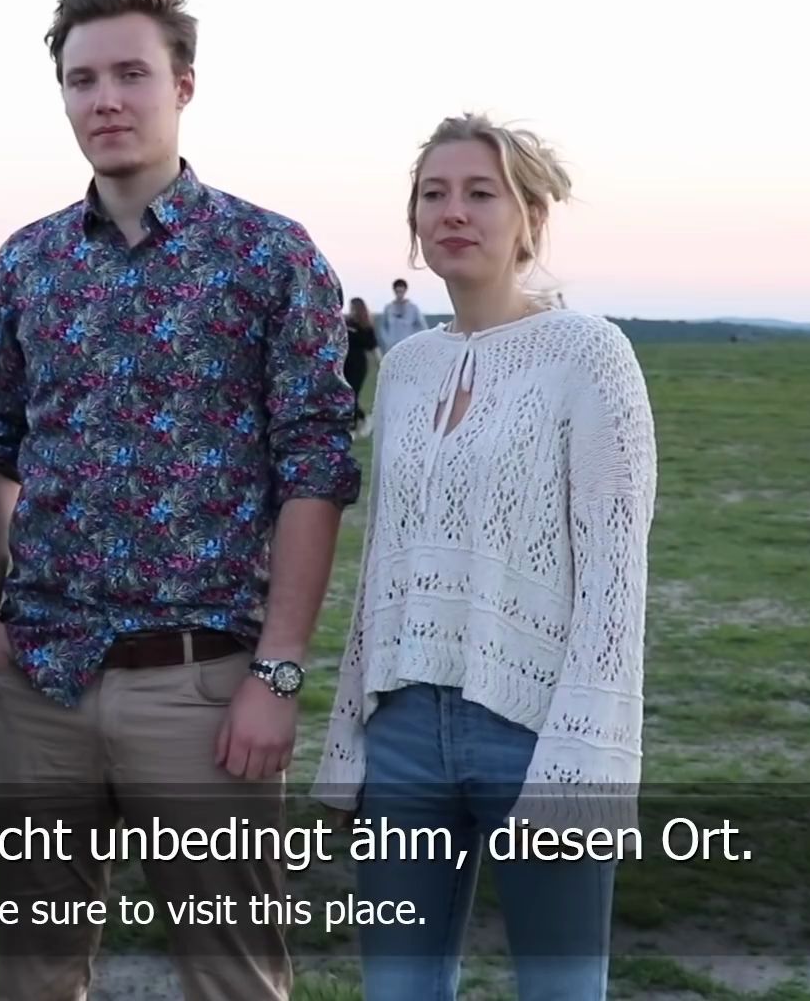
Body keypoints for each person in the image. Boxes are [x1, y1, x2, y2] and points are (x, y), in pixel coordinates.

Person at [0, 0, 361, 1001]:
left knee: (233, 979)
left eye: (131, 74)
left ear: (183, 85)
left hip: (204, 682)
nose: (106, 100)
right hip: (38, 678)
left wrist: (276, 673)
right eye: (82, 80)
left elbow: (315, 465)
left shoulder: (269, 255)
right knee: (33, 977)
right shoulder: (28, 263)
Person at [313, 113, 658, 1000]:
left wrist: (580, 762)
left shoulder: (592, 355)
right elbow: (384, 562)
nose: (452, 213)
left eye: (480, 192)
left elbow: (616, 584)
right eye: (434, 195)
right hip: (403, 738)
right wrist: (352, 732)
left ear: (531, 217)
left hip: (534, 728)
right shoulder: (409, 366)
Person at [343, 298, 380, 434]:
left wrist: (381, 365)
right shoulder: (346, 323)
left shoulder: (365, 327)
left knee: (353, 395)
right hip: (344, 364)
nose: (351, 311)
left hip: (358, 365)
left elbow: (373, 347)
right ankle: (359, 420)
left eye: (353, 308)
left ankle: (359, 422)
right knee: (345, 395)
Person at [378, 277, 428, 351]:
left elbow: (422, 326)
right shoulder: (388, 308)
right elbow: (383, 327)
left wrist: (415, 340)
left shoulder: (413, 308)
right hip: (392, 346)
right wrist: (387, 340)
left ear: (405, 291)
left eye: (401, 291)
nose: (399, 294)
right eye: (397, 291)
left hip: (408, 346)